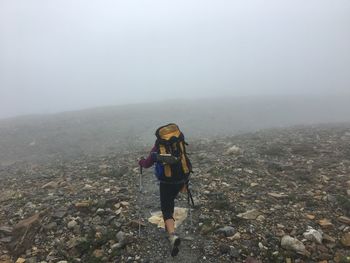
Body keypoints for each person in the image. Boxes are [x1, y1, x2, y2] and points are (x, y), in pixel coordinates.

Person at [138, 123, 192, 257]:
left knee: (166, 208)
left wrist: (141, 162)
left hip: (167, 182)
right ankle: (173, 221)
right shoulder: (178, 140)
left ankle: (172, 236)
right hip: (182, 178)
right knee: (171, 199)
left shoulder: (159, 145)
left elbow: (147, 164)